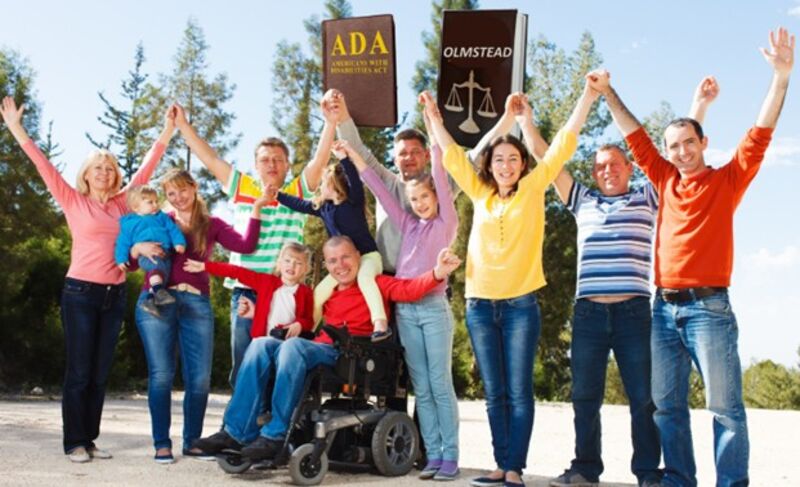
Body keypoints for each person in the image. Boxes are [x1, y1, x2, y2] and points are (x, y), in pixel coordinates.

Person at [588, 27, 794, 487]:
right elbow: (632, 132)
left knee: (725, 409)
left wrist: (780, 78)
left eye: (689, 143)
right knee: (667, 407)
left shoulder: (728, 180)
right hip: (663, 310)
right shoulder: (662, 179)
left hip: (709, 310)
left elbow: (761, 132)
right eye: (673, 145)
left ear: (703, 143)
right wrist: (606, 91)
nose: (681, 151)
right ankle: (679, 480)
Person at [421, 77, 598, 487]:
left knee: (518, 392)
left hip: (520, 306)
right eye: (499, 159)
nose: (505, 165)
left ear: (522, 165)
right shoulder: (479, 192)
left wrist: (587, 95)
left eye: (513, 159)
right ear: (491, 164)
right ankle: (500, 465)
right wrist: (433, 117)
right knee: (494, 392)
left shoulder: (533, 189)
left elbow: (564, 143)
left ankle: (515, 469)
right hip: (480, 305)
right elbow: (451, 154)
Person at [548, 77, 719, 487]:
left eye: (615, 164)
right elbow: (549, 158)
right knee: (584, 398)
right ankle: (586, 467)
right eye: (599, 166)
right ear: (593, 173)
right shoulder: (581, 199)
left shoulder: (647, 195)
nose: (607, 171)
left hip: (634, 313)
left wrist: (698, 106)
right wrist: (577, 102)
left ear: (629, 168)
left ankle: (647, 472)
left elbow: (679, 155)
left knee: (644, 399)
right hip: (588, 314)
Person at [0, 96, 175, 462]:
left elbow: (147, 167)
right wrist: (15, 127)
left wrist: (168, 130)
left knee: (99, 373)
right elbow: (42, 165)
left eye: (109, 168)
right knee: (79, 371)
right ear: (85, 174)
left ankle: (90, 438)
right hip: (79, 293)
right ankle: (73, 442)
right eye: (98, 167)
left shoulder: (124, 202)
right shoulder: (72, 200)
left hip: (113, 295)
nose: (104, 172)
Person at [191, 236, 462, 461]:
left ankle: (274, 436)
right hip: (317, 347)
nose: (340, 265)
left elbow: (410, 289)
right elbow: (299, 318)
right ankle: (236, 432)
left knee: (293, 348)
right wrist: (256, 314)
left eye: (345, 257)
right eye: (332, 261)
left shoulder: (375, 284)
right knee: (261, 344)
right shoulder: (327, 291)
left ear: (358, 256)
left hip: (352, 353)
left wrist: (438, 272)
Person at [174, 99, 330, 385]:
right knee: (244, 361)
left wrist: (330, 122)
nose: (271, 164)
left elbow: (320, 161)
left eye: (277, 159)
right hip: (246, 290)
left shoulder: (297, 190)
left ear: (287, 165)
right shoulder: (242, 187)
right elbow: (209, 158)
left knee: (280, 361)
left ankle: (272, 425)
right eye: (265, 160)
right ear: (255, 165)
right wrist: (183, 126)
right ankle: (237, 425)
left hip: (283, 293)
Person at [347, 104, 460, 479]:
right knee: (423, 388)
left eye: (425, 198)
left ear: (436, 196)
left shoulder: (446, 220)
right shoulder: (407, 223)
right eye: (414, 200)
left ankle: (450, 456)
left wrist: (433, 122)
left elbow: (441, 169)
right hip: (406, 311)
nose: (419, 204)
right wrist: (350, 154)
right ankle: (431, 458)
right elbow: (378, 186)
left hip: (433, 309)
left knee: (441, 384)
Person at [132, 168, 263, 464]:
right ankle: (161, 443)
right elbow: (132, 259)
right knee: (162, 375)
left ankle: (192, 441)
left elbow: (246, 245)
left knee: (200, 379)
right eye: (171, 194)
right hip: (157, 302)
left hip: (196, 304)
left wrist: (255, 209)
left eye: (182, 190)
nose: (178, 198)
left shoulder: (212, 224)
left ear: (194, 187)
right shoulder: (159, 221)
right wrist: (136, 246)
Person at [328, 88, 513, 273]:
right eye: (403, 154)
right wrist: (341, 114)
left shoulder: (442, 184)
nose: (409, 157)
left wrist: (508, 117)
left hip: (429, 280)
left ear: (427, 155)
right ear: (395, 160)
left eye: (415, 152)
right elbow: (357, 152)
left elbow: (476, 158)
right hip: (387, 279)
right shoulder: (386, 183)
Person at [277, 138, 389, 342]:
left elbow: (354, 180)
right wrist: (278, 196)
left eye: (323, 184)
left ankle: (380, 324)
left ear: (334, 185)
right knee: (319, 291)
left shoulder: (354, 202)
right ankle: (306, 329)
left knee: (365, 279)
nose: (320, 187)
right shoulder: (323, 208)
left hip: (367, 258)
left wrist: (344, 158)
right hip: (342, 263)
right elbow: (299, 204)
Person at [183, 241, 314, 340]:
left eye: (298, 263)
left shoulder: (306, 292)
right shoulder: (266, 282)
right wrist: (205, 266)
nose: (292, 265)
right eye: (287, 260)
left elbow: (309, 320)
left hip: (288, 345)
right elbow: (236, 271)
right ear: (279, 263)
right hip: (261, 342)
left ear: (306, 269)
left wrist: (300, 324)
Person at [115, 185, 186, 316]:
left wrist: (179, 242)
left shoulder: (162, 217)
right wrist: (121, 259)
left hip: (165, 252)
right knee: (157, 267)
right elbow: (122, 242)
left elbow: (172, 229)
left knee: (162, 274)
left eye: (156, 201)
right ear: (136, 207)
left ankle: (149, 300)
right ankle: (159, 292)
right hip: (146, 255)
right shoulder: (129, 223)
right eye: (150, 202)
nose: (155, 205)